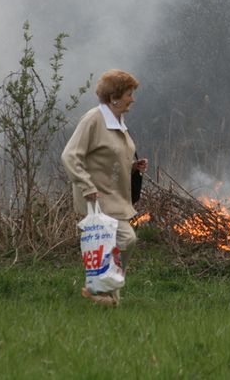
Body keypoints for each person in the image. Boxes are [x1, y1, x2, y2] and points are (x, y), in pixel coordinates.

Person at [61, 69, 148, 307]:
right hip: (97, 197)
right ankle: (101, 290)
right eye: (129, 94)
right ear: (114, 97)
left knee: (114, 244)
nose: (133, 99)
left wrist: (133, 167)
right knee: (126, 239)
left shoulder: (118, 121)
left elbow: (110, 157)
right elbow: (70, 155)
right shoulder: (94, 119)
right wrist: (85, 185)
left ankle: (107, 298)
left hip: (116, 196)